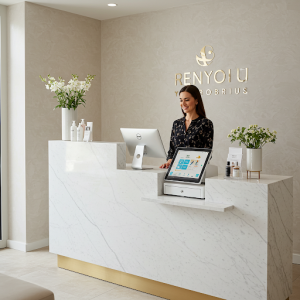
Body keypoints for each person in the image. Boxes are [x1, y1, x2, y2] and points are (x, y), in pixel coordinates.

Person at [160, 85, 214, 169]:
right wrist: (169, 161)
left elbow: (207, 152)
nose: (183, 103)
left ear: (196, 101)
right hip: (176, 169)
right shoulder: (176, 124)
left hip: (195, 169)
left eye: (187, 100)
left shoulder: (205, 123)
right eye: (181, 100)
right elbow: (172, 149)